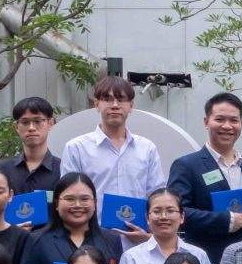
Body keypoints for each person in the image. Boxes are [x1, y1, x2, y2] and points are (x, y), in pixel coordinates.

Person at [166, 90, 242, 264]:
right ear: (206, 122)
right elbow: (176, 212)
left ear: (241, 124)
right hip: (204, 260)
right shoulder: (187, 165)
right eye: (219, 119)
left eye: (233, 120)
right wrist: (226, 221)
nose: (227, 126)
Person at [59, 74, 165, 235]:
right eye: (107, 99)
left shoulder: (147, 148)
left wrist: (148, 235)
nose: (115, 105)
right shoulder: (77, 148)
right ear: (96, 104)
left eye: (121, 99)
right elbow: (69, 197)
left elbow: (156, 196)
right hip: (92, 237)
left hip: (138, 238)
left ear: (131, 105)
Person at [18, 172, 125, 264]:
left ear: (95, 203)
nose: (77, 205)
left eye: (84, 199)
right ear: (57, 204)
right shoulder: (37, 240)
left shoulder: (112, 239)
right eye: (69, 199)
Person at [0, 95, 64, 201]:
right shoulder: (2, 169)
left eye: (38, 121)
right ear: (16, 126)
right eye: (25, 122)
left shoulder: (63, 169)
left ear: (50, 124)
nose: (31, 128)